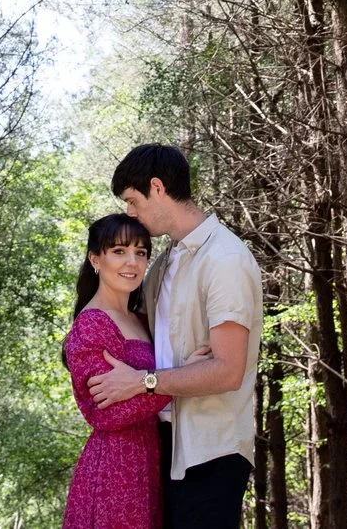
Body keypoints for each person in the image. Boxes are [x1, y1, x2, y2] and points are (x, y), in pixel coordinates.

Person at [89, 144, 263, 529]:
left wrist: (142, 383)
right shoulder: (167, 261)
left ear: (157, 187)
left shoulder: (225, 258)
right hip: (166, 445)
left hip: (212, 450)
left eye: (133, 201)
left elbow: (228, 371)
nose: (130, 213)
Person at [63, 214, 170, 529]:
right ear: (95, 259)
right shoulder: (92, 323)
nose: (133, 262)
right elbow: (105, 411)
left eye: (141, 252)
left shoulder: (139, 319)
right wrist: (185, 378)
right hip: (114, 471)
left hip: (149, 462)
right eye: (119, 251)